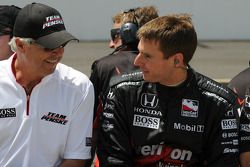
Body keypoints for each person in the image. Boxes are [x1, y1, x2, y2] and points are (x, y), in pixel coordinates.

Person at [97, 14, 246, 166]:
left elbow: (224, 162)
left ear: (177, 60)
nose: (137, 61)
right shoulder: (122, 93)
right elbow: (113, 158)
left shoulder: (220, 104)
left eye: (147, 56)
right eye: (139, 51)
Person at [0, 3, 94, 167]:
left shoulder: (79, 87)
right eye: (49, 46)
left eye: (62, 44)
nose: (58, 53)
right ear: (21, 45)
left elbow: (75, 159)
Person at [88, 6, 158, 167]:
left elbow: (91, 123)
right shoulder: (169, 64)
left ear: (129, 33)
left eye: (116, 35)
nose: (111, 43)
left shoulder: (104, 66)